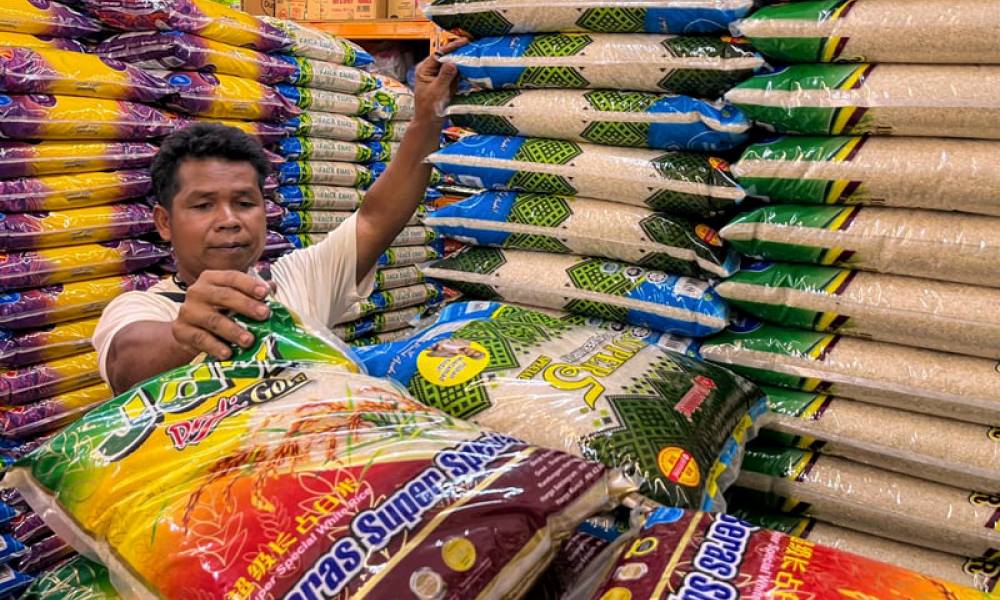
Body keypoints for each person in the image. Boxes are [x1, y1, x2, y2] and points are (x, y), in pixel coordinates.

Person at [94, 44, 462, 394]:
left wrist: (428, 117)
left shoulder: (296, 284)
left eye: (244, 202)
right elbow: (128, 362)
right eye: (203, 205)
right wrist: (183, 336)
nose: (229, 220)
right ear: (164, 222)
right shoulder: (144, 308)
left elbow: (375, 219)